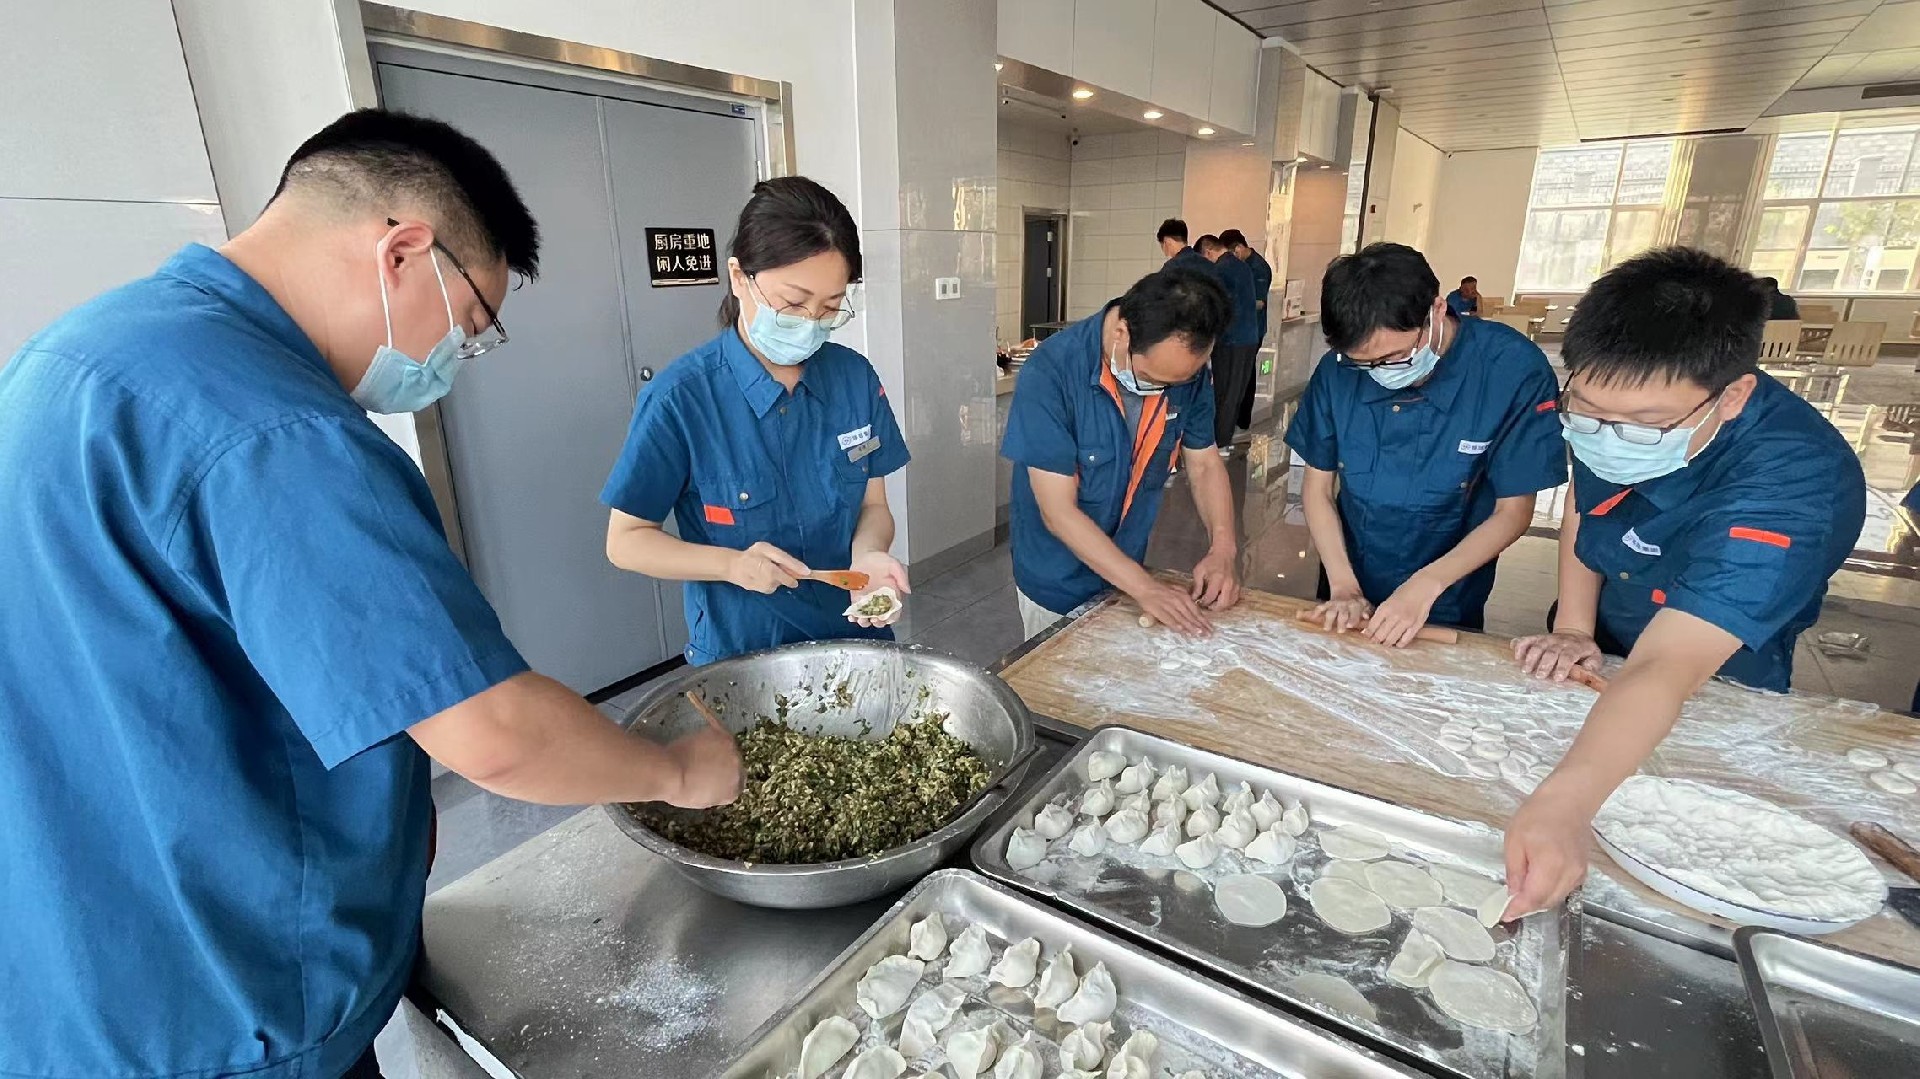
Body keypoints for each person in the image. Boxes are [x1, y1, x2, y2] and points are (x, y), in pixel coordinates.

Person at [0, 109, 742, 1079]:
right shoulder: (278, 432)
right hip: (225, 1012)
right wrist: (679, 773)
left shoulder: (80, 354)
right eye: (470, 326)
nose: (454, 362)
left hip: (69, 979)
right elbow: (493, 732)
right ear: (403, 252)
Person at [1505, 247, 1866, 917]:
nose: (1607, 438)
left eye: (1643, 426)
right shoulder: (1618, 412)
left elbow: (1669, 664)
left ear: (1732, 397)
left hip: (1716, 660)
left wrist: (1564, 804)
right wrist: (1575, 626)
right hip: (1616, 613)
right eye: (1586, 412)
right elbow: (1590, 499)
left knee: (1683, 838)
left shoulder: (1797, 483)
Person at [603, 177, 910, 665]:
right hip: (742, 653)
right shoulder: (681, 398)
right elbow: (626, 542)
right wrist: (731, 565)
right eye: (793, 303)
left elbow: (874, 506)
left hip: (852, 637)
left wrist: (869, 553)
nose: (810, 322)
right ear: (739, 277)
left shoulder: (855, 378)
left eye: (830, 307)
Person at [1286, 243, 1565, 644]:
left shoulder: (1511, 370)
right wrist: (1344, 586)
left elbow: (1513, 511)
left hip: (1447, 592)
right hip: (1348, 578)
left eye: (1396, 357)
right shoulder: (1338, 371)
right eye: (1364, 364)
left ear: (1436, 311)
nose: (1380, 373)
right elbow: (1317, 489)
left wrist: (1426, 586)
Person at [1002, 268, 1242, 639]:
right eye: (1154, 379)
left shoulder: (1187, 372)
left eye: (1180, 382)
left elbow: (1205, 464)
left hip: (1126, 574)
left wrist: (1223, 548)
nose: (1164, 390)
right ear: (1121, 334)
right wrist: (1146, 589)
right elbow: (1058, 511)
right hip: (1056, 579)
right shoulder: (1051, 372)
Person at [1199, 234, 1261, 453]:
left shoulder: (1222, 270)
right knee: (1235, 392)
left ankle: (1218, 442)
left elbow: (1219, 307)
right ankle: (1225, 438)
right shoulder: (1241, 266)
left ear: (1208, 252)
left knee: (1223, 391)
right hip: (1248, 338)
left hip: (1231, 340)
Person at [1222, 228, 1272, 432]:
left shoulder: (1258, 268)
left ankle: (1242, 420)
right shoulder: (1244, 266)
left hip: (1253, 330)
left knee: (1246, 376)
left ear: (1239, 248)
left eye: (1232, 254)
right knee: (1241, 374)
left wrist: (1233, 303)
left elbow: (1259, 302)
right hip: (1242, 330)